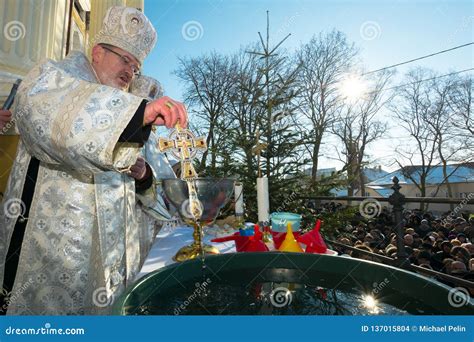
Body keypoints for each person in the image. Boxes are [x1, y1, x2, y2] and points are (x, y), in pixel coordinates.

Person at [0, 6, 187, 315]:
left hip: (114, 273)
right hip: (58, 268)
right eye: (124, 59)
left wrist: (143, 177)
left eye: (136, 66)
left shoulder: (131, 108)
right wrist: (138, 115)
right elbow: (47, 115)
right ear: (97, 52)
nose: (130, 72)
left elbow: (163, 193)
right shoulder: (52, 79)